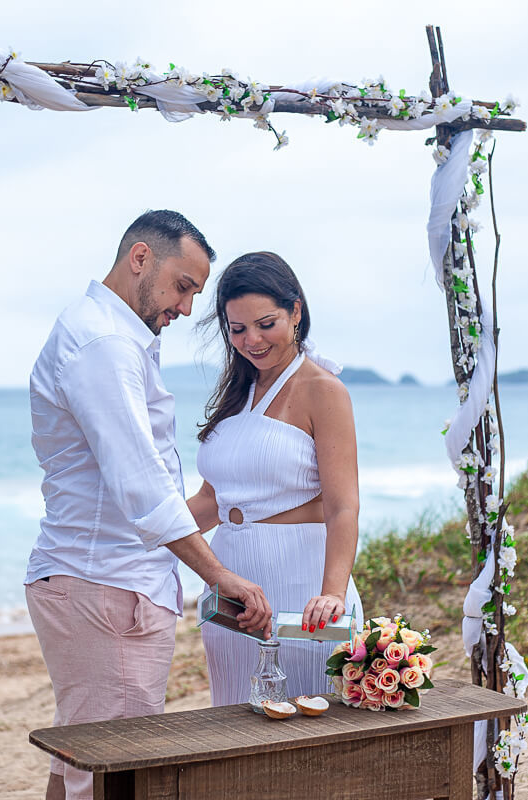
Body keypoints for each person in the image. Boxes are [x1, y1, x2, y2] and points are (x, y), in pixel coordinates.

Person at [24, 211, 272, 800]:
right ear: (141, 258)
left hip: (100, 583)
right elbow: (142, 483)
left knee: (80, 764)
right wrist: (218, 575)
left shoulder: (110, 335)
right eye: (183, 287)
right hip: (107, 588)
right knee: (116, 775)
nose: (187, 309)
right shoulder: (104, 344)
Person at [188, 251, 362, 705]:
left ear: (296, 312)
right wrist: (142, 534)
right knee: (233, 719)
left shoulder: (324, 391)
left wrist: (332, 593)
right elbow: (212, 501)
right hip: (232, 588)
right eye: (238, 329)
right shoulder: (237, 393)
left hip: (301, 585)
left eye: (266, 324)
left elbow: (343, 506)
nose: (252, 340)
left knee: (306, 726)